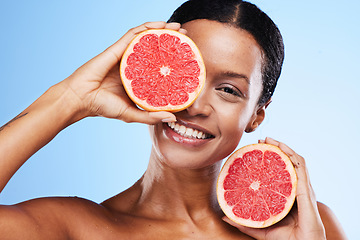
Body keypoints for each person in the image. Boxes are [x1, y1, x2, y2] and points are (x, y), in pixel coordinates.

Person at [0, 0, 347, 239]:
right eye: (185, 76)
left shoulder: (309, 227)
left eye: (228, 89)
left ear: (257, 114)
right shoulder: (75, 227)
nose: (195, 105)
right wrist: (70, 99)